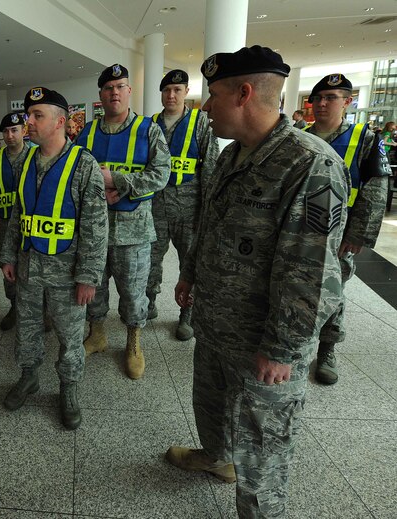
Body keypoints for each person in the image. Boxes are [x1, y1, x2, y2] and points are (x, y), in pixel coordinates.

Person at [164, 46, 349, 518]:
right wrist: (189, 275)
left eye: (214, 95)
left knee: (263, 455)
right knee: (210, 405)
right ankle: (215, 458)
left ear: (244, 93)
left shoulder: (310, 164)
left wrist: (283, 348)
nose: (204, 107)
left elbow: (310, 273)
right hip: (217, 324)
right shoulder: (232, 157)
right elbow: (212, 224)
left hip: (263, 343)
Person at [0, 86, 108, 430]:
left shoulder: (83, 164)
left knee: (70, 335)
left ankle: (68, 388)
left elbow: (95, 225)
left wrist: (89, 277)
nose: (28, 121)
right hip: (30, 266)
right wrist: (8, 256)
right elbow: (19, 211)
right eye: (28, 115)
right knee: (28, 328)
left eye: (37, 116)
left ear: (60, 121)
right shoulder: (27, 160)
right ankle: (29, 376)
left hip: (67, 273)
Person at [75, 64, 170, 379]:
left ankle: (133, 343)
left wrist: (115, 180)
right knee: (94, 288)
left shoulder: (148, 130)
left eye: (120, 87)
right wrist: (100, 191)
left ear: (129, 91)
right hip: (93, 231)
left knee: (133, 293)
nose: (114, 92)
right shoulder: (87, 132)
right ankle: (98, 334)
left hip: (134, 233)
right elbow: (75, 175)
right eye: (108, 88)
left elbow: (160, 174)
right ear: (100, 95)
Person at [304, 74, 390, 384]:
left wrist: (358, 234)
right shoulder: (300, 135)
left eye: (331, 97)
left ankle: (327, 349)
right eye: (318, 98)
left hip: (339, 232)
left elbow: (376, 189)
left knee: (334, 291)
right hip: (298, 229)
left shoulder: (364, 139)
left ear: (347, 102)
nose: (323, 103)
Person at [147, 69, 219, 341]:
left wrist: (207, 210)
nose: (171, 95)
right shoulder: (150, 123)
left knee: (190, 263)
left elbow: (210, 166)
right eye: (167, 90)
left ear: (186, 92)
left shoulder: (201, 123)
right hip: (155, 207)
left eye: (177, 90)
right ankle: (149, 301)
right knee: (151, 260)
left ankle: (186, 315)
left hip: (190, 209)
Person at [0, 111, 30, 330]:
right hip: (4, 224)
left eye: (14, 130)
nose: (10, 135)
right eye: (6, 131)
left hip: (30, 225)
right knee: (8, 265)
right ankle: (14, 306)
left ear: (23, 131)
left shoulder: (35, 155)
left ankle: (41, 310)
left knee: (33, 266)